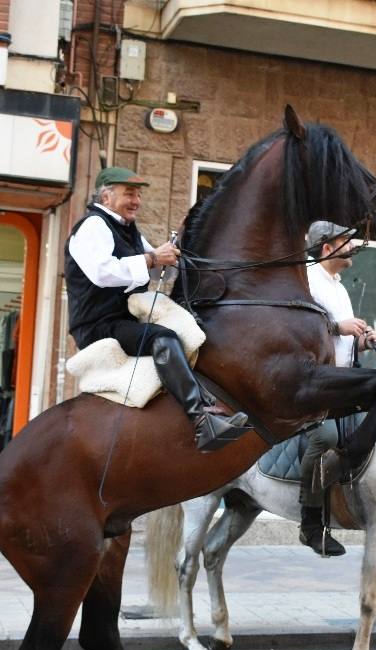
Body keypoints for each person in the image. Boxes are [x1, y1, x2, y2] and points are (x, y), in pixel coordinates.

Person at [63, 165, 248, 451]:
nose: (136, 200)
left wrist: (173, 256)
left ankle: (213, 405)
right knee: (164, 339)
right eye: (129, 193)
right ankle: (201, 420)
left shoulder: (128, 230)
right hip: (98, 325)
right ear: (106, 196)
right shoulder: (93, 226)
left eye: (138, 194)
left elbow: (154, 258)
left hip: (123, 319)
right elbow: (102, 272)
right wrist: (152, 259)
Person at [297, 221, 376, 556]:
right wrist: (337, 325)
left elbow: (340, 342)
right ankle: (311, 523)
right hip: (311, 379)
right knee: (324, 438)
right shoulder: (306, 279)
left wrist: (362, 340)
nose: (352, 246)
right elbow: (302, 329)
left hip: (340, 380)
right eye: (346, 241)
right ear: (327, 248)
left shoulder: (339, 288)